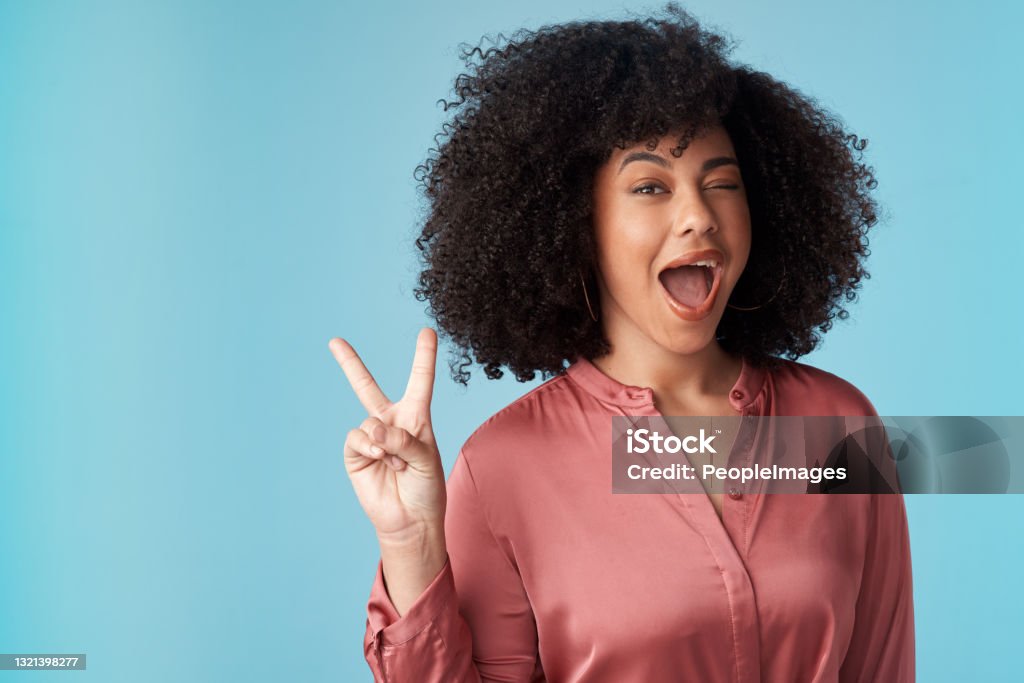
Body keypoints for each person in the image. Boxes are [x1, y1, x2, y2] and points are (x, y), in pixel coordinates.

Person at [329, 5, 914, 681]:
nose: (699, 215)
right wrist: (411, 544)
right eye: (649, 187)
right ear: (577, 224)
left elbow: (884, 663)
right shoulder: (505, 469)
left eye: (722, 183)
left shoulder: (840, 427)